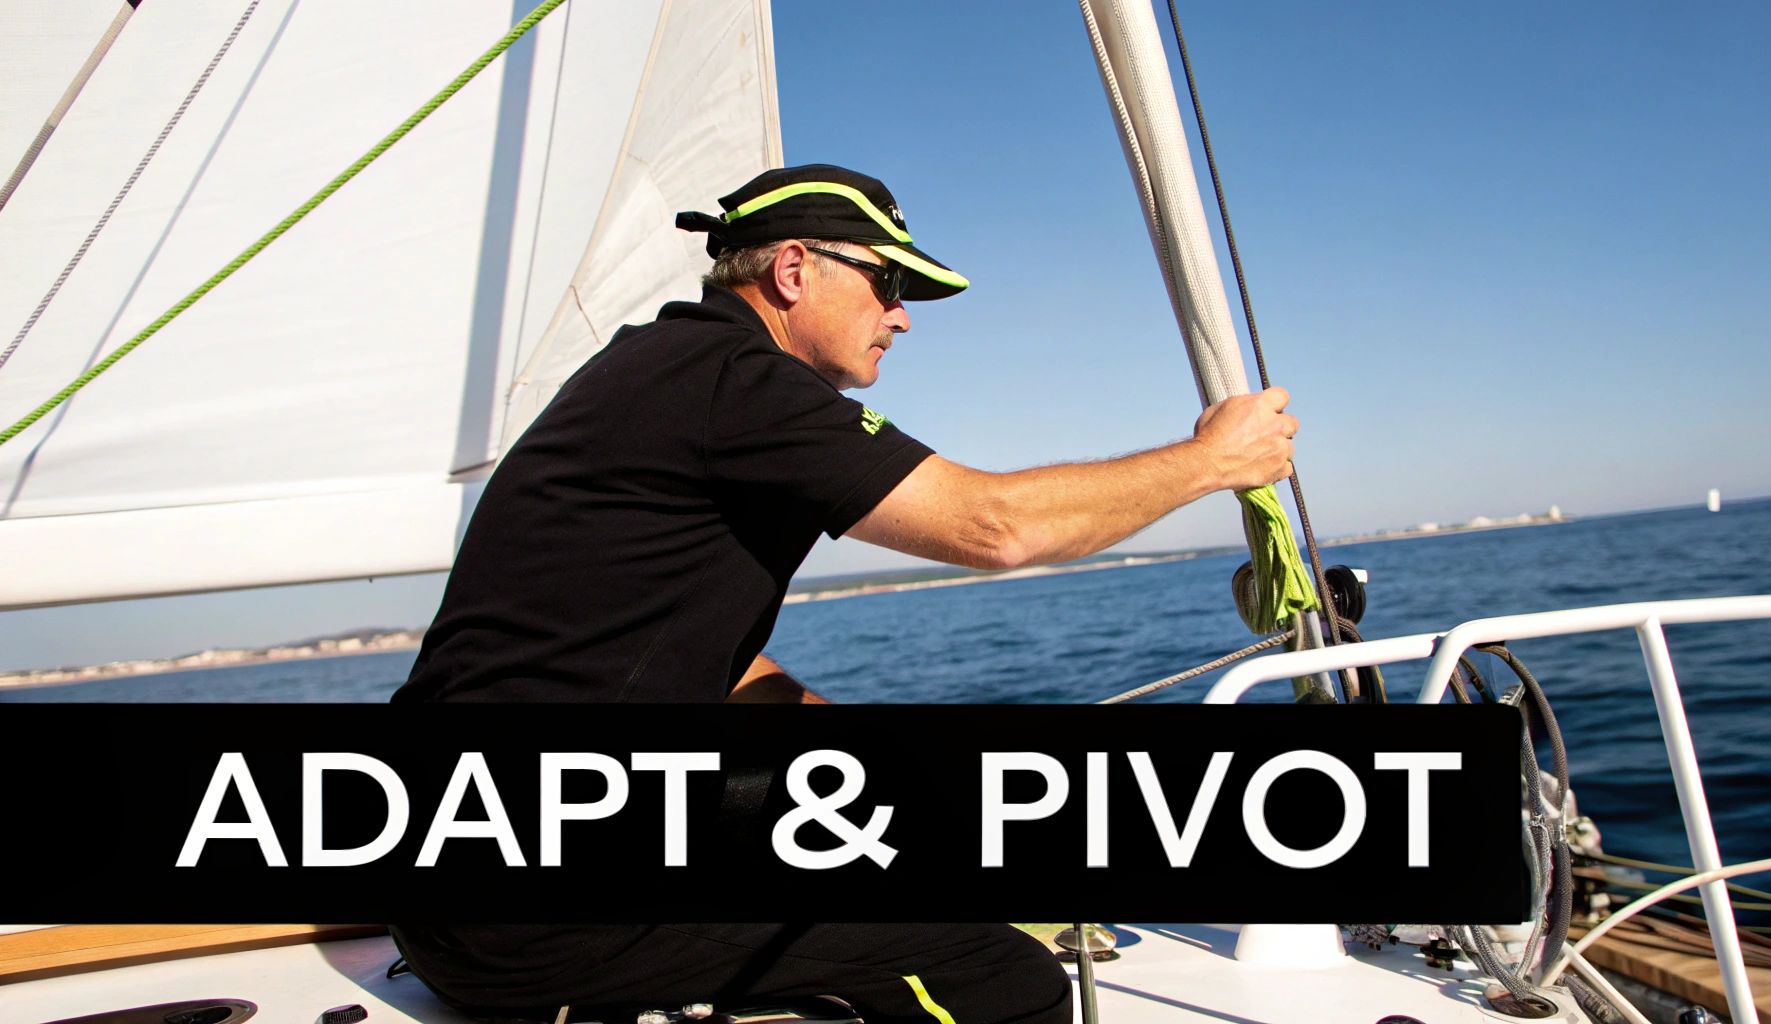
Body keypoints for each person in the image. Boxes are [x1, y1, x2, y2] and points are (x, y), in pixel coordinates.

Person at [389, 165, 1296, 1023]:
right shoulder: (731, 379)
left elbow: (701, 653)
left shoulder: (669, 369)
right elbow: (994, 526)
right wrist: (1215, 462)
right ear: (793, 270)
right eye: (885, 284)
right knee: (1001, 981)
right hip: (529, 914)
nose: (900, 318)